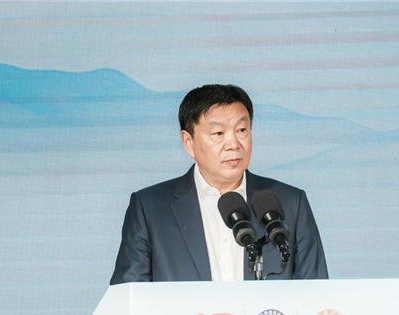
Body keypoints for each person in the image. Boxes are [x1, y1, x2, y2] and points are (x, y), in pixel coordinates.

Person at [110, 84, 328, 284]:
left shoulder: (290, 203)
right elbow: (128, 296)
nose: (233, 144)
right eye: (218, 133)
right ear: (188, 142)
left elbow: (316, 292)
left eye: (242, 130)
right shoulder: (150, 208)